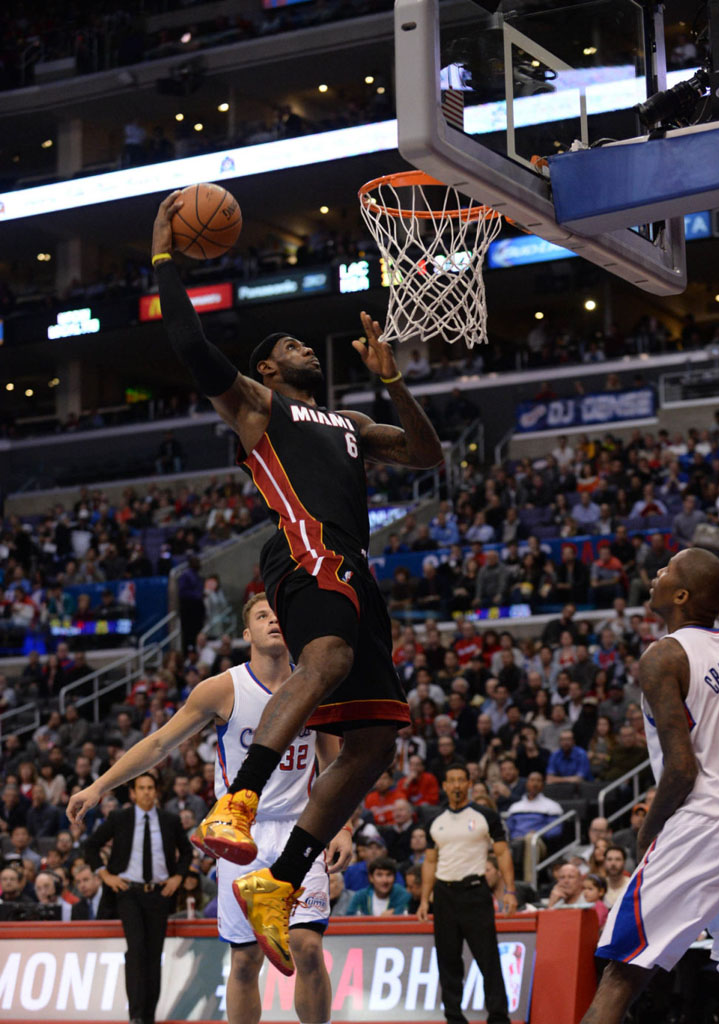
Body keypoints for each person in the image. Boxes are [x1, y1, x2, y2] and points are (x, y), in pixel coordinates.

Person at [150, 192, 443, 975]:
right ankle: (236, 801)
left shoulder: (347, 423)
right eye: (286, 344)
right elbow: (188, 342)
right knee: (331, 664)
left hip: (351, 563)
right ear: (268, 367)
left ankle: (277, 883)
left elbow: (427, 457)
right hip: (304, 546)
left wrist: (394, 381)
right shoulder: (257, 405)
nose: (303, 349)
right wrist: (162, 256)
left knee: (374, 742)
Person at [69, 594, 350, 1022]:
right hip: (241, 835)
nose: (273, 621)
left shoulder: (316, 685)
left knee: (308, 949)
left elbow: (335, 765)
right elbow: (160, 742)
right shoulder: (222, 688)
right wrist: (99, 787)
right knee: (244, 961)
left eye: (279, 615)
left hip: (301, 828)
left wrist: (344, 828)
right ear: (247, 633)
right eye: (262, 616)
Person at [580, 548, 719, 1023]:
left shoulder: (665, 655)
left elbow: (681, 769)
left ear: (680, 595)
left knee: (623, 969)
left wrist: (647, 830)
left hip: (707, 821)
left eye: (666, 571)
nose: (655, 574)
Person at [78, 773, 191, 1024]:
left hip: (160, 893)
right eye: (142, 788)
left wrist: (178, 878)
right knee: (137, 949)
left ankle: (149, 1016)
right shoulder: (120, 817)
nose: (147, 792)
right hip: (128, 892)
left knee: (154, 954)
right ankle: (136, 1016)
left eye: (151, 787)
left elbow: (187, 852)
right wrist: (105, 875)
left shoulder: (169, 820)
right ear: (132, 793)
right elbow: (91, 845)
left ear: (157, 791)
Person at [419, 764, 516, 1024]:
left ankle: (498, 1016)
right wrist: (424, 898)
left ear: (469, 784)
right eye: (452, 781)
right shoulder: (434, 821)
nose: (458, 785)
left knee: (488, 959)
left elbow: (504, 853)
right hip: (443, 895)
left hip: (475, 893)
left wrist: (510, 891)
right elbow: (429, 862)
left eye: (462, 780)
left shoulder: (486, 816)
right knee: (448, 961)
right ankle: (453, 1017)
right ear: (445, 786)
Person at [346, 856, 411, 915]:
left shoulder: (402, 894)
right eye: (379, 875)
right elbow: (348, 919)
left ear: (394, 877)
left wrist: (395, 913)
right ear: (371, 878)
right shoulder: (360, 896)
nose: (385, 880)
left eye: (389, 875)